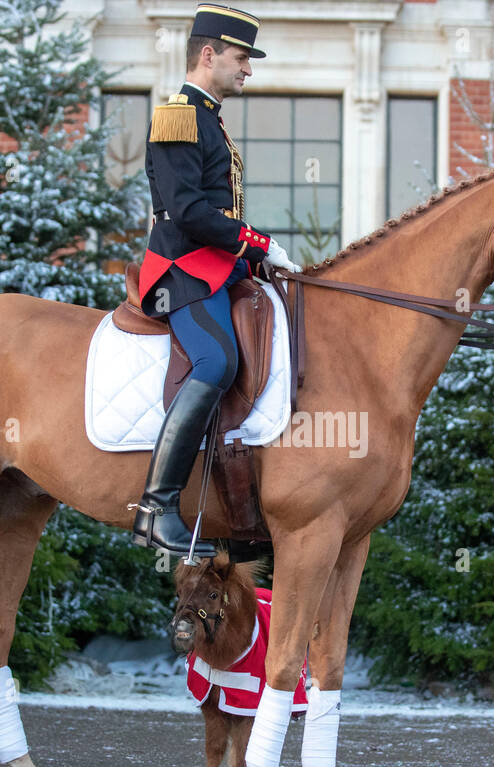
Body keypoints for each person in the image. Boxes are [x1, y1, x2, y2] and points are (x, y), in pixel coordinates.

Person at [130, 3, 299, 557]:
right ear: (209, 54)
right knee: (217, 361)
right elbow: (188, 213)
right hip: (181, 270)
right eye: (241, 57)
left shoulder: (208, 120)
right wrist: (258, 242)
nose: (248, 69)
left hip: (216, 269)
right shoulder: (178, 115)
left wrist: (256, 262)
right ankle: (157, 506)